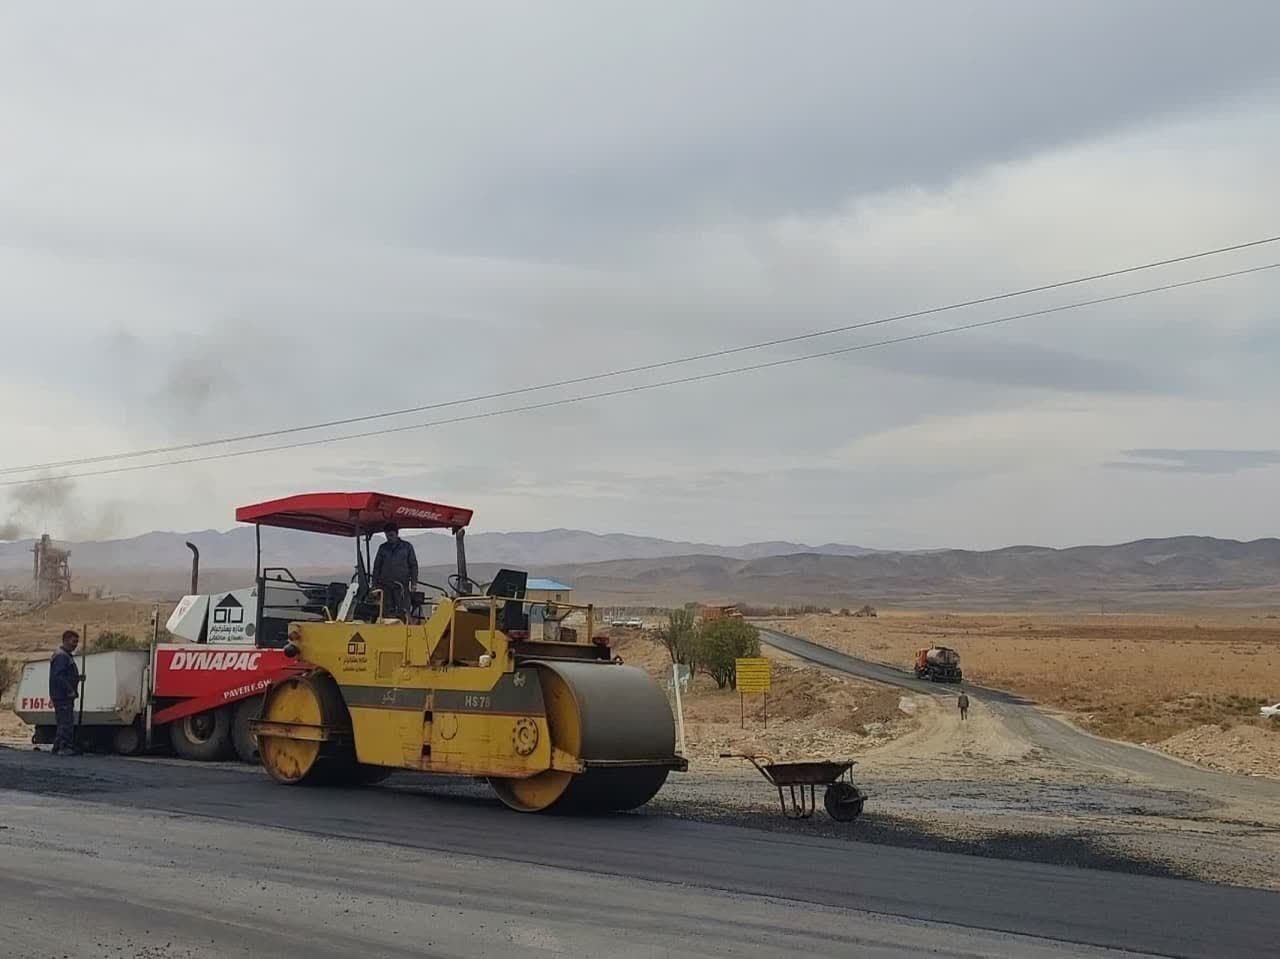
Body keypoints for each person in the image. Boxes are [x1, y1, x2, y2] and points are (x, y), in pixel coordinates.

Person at [371, 523, 418, 619]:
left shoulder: (407, 547)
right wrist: (374, 586)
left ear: (397, 534)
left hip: (401, 586)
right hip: (385, 586)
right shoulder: (383, 548)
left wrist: (414, 583)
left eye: (391, 535)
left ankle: (405, 629)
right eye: (387, 536)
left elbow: (413, 565)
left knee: (404, 610)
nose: (389, 538)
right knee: (386, 612)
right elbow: (377, 567)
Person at [49, 629, 81, 754]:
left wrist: (77, 678)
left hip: (62, 695)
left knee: (64, 721)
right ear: (66, 640)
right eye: (74, 641)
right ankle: (64, 747)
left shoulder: (65, 655)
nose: (75, 644)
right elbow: (59, 676)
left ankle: (58, 746)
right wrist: (69, 690)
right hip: (63, 696)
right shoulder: (62, 656)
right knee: (65, 722)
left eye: (77, 642)